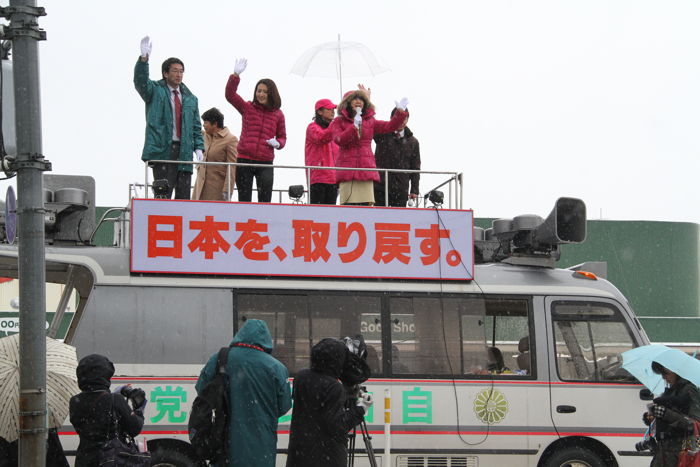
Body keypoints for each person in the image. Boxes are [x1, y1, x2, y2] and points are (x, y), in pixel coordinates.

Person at [195, 319, 291, 467]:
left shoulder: (219, 359)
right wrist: (260, 413)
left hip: (224, 442)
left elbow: (202, 390)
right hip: (262, 446)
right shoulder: (276, 367)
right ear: (266, 340)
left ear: (240, 335)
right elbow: (284, 406)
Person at [133, 36, 204, 199]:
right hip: (162, 149)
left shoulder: (190, 98)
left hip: (184, 151)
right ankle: (162, 223)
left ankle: (182, 223)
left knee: (183, 196)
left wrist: (199, 147)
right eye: (175, 71)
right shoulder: (156, 91)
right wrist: (144, 61)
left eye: (181, 71)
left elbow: (196, 127)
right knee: (163, 193)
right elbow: (140, 82)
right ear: (165, 73)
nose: (179, 75)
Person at [286, 338, 373, 467]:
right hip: (327, 457)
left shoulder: (301, 378)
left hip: (299, 455)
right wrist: (361, 408)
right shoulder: (333, 387)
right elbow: (338, 427)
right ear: (336, 360)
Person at [332, 88, 409, 205]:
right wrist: (354, 127)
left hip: (365, 170)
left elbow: (389, 126)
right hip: (347, 170)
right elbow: (339, 140)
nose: (358, 101)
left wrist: (400, 113)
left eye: (361, 99)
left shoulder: (370, 121)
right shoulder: (338, 121)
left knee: (365, 208)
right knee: (348, 208)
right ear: (347, 102)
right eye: (354, 99)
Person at [225, 58, 286, 203]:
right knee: (244, 199)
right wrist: (235, 76)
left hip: (265, 162)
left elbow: (283, 137)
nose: (261, 94)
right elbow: (230, 95)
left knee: (265, 200)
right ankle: (245, 225)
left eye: (265, 91)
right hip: (244, 160)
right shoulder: (248, 107)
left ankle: (263, 224)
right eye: (259, 91)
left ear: (271, 94)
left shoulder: (278, 114)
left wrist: (277, 143)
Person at [69, 354, 145, 467]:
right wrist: (139, 409)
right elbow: (134, 429)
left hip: (84, 460)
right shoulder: (115, 400)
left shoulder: (74, 401)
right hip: (109, 460)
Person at [643, 361, 700, 466]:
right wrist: (653, 416)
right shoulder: (670, 391)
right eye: (661, 374)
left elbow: (692, 424)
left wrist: (665, 413)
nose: (664, 377)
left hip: (680, 454)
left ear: (676, 372)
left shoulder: (689, 391)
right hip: (664, 453)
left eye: (666, 373)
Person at [373, 108, 420, 207]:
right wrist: (367, 100)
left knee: (398, 220)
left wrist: (414, 190)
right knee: (378, 218)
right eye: (398, 118)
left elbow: (415, 167)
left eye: (405, 118)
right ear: (391, 119)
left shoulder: (413, 142)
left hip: (401, 188)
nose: (402, 121)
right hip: (380, 186)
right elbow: (370, 123)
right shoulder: (381, 134)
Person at [192, 107, 238, 201]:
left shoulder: (230, 140)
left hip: (216, 189)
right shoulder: (204, 136)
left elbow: (232, 167)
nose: (203, 125)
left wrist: (228, 190)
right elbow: (192, 129)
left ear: (215, 124)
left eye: (206, 122)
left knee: (214, 215)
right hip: (199, 188)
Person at [305, 98, 339, 204]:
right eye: (329, 109)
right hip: (318, 178)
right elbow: (321, 138)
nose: (333, 111)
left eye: (333, 109)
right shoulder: (312, 127)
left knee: (329, 216)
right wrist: (335, 125)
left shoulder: (334, 130)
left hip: (333, 179)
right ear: (319, 111)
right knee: (317, 214)